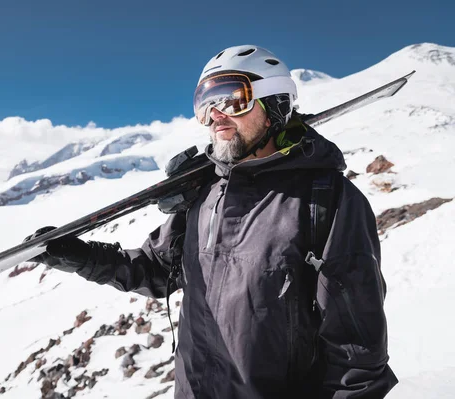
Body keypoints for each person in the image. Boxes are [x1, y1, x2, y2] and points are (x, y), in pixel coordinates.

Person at [26, 45, 398, 398]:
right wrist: (81, 257)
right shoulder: (202, 195)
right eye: (205, 104)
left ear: (275, 105)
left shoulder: (327, 201)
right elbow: (155, 270)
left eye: (231, 99)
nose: (215, 115)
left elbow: (357, 356)